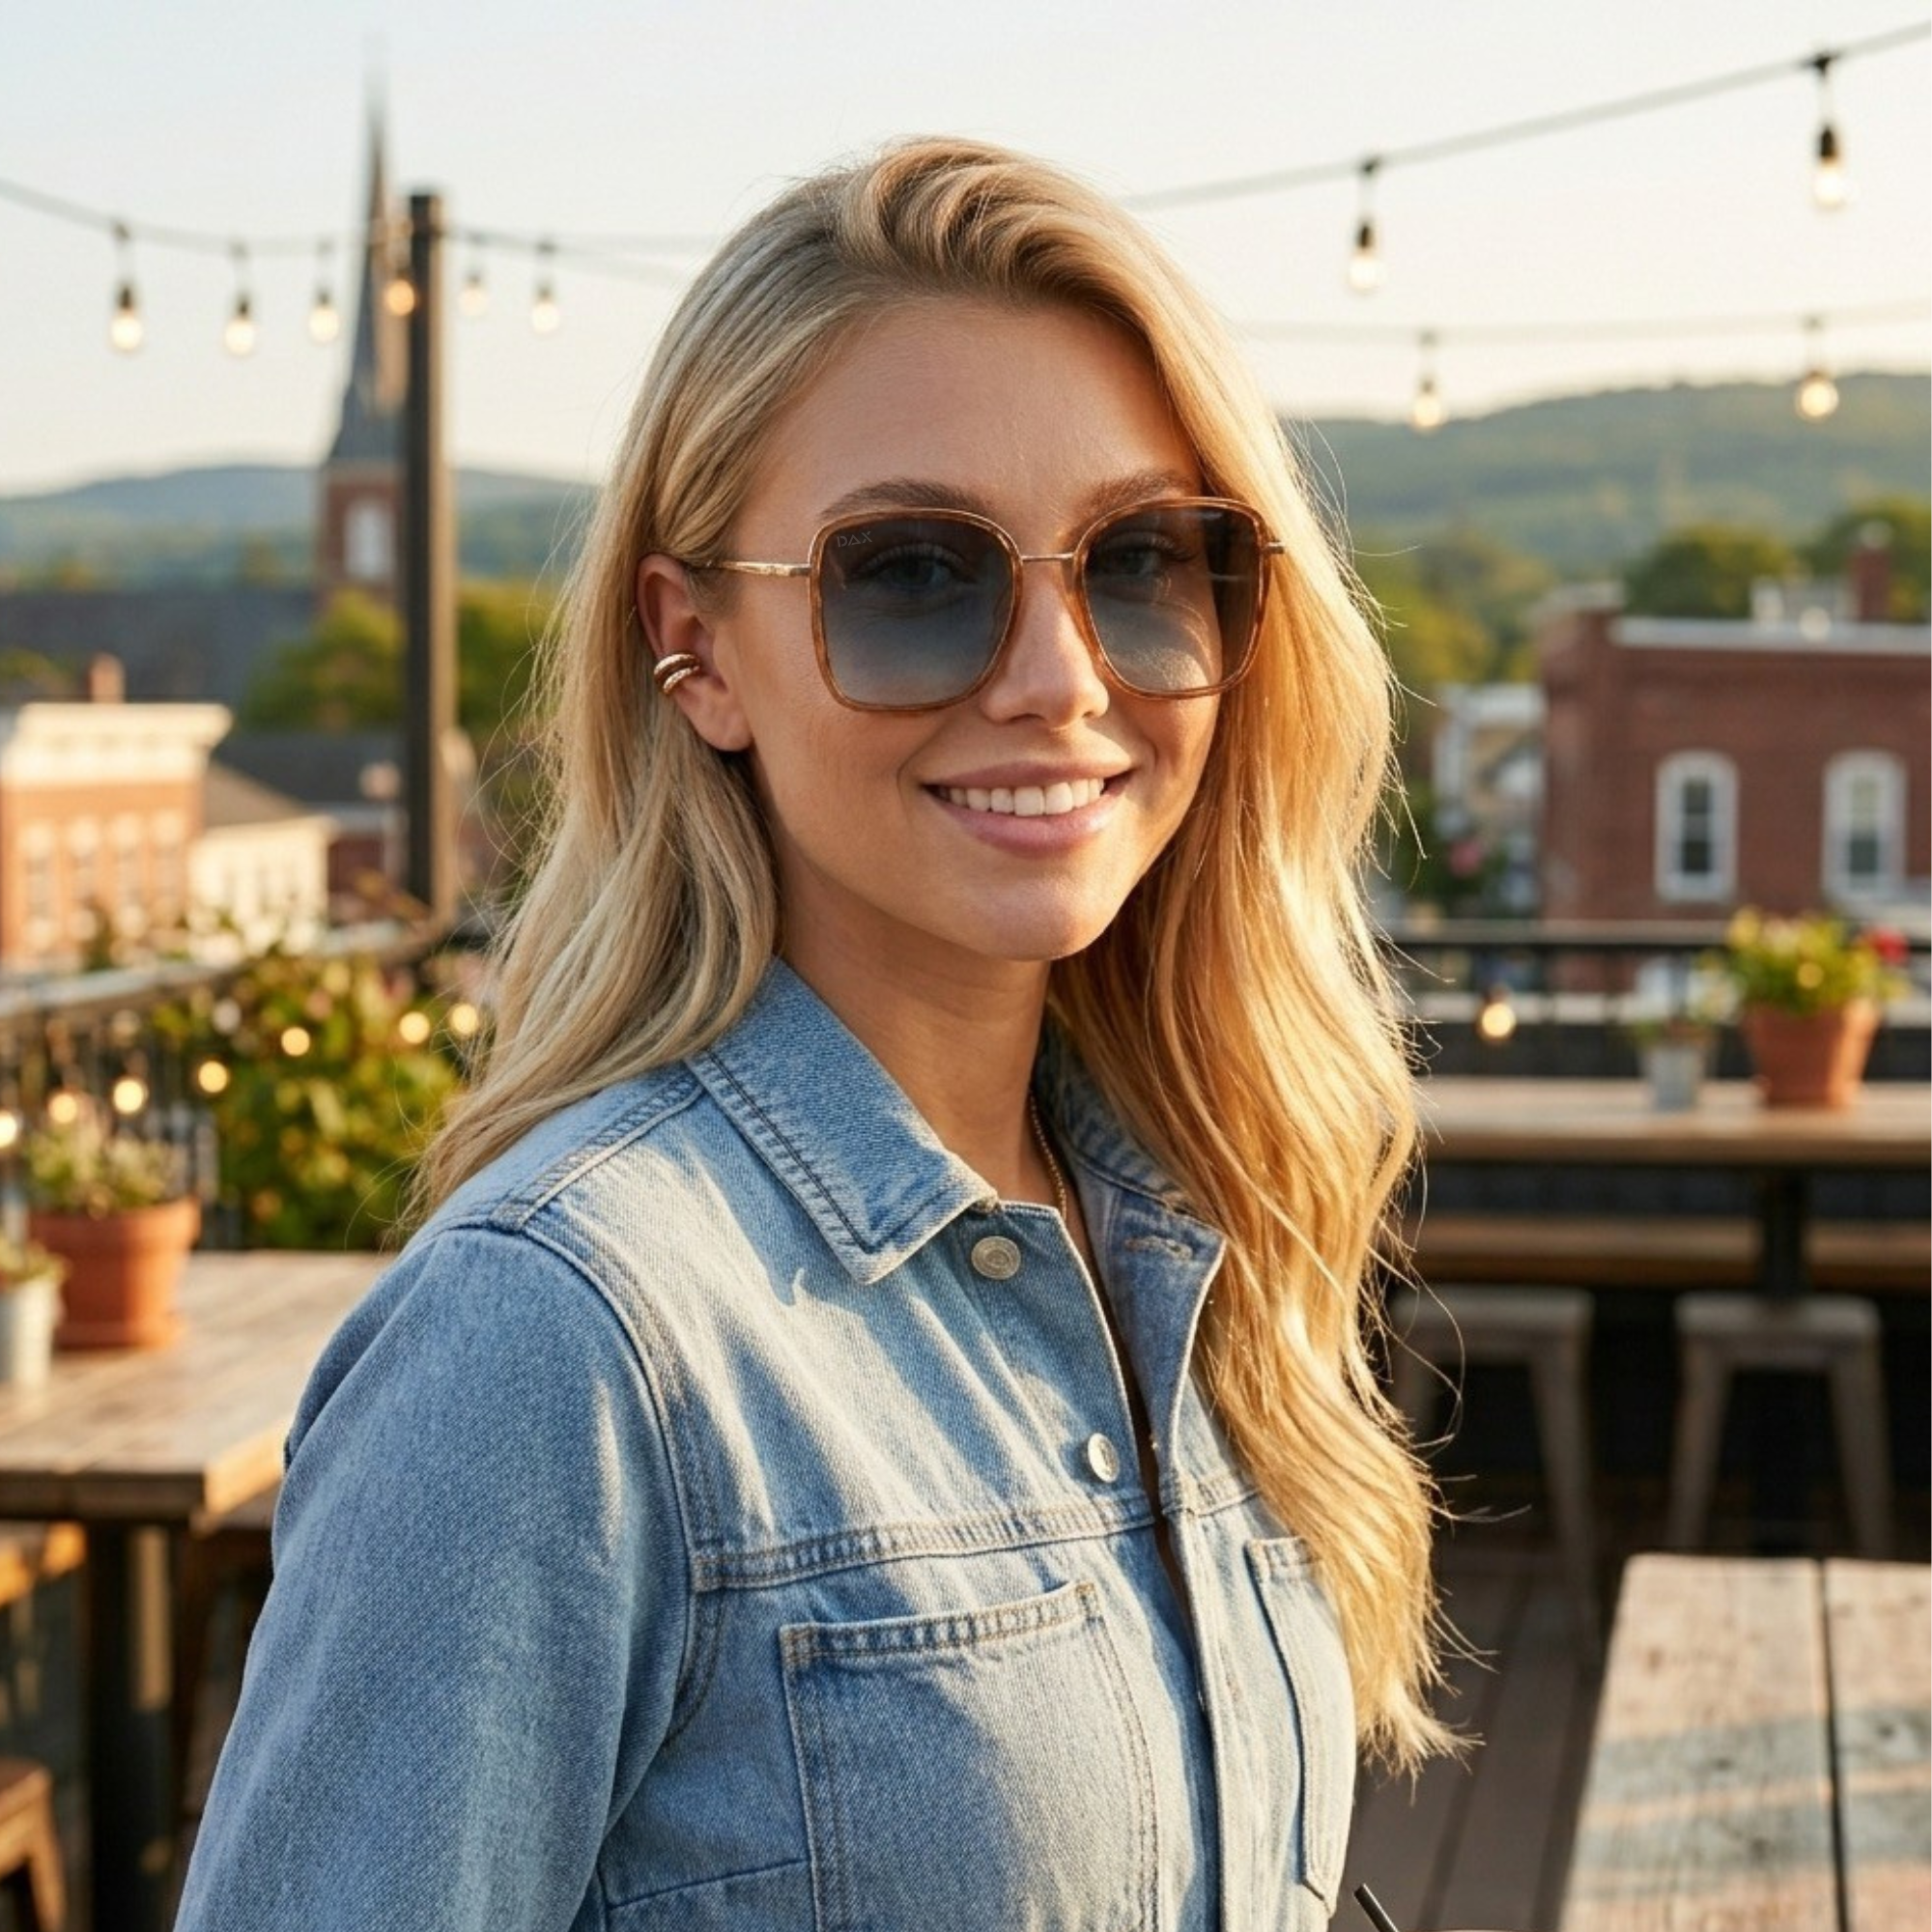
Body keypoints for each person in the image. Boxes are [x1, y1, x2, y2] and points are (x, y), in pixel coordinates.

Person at [177, 135, 1450, 1930]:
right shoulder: (555, 1345)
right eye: (915, 574)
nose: (1061, 677)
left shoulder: (1180, 1224)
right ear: (694, 649)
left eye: (1147, 561)